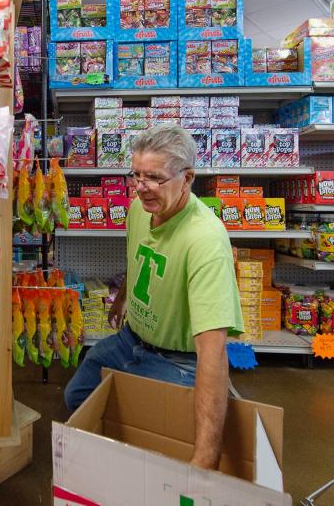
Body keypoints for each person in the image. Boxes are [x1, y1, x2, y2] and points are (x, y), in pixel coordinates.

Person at [63, 124, 243, 470]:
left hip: (179, 359)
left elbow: (213, 351)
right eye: (136, 175)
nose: (141, 188)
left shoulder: (205, 241)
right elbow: (140, 254)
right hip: (131, 340)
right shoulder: (139, 208)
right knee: (77, 397)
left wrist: (206, 458)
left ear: (187, 178)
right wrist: (122, 298)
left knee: (164, 439)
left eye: (154, 178)